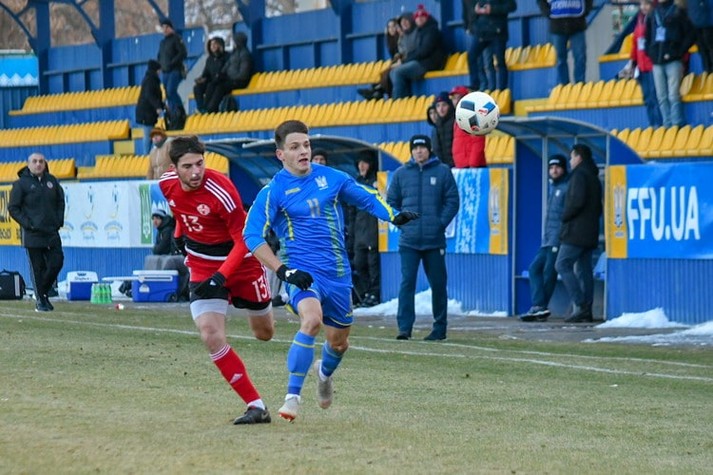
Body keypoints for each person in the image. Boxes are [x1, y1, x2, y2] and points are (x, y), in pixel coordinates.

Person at [242, 120, 418, 422]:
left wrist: (393, 215)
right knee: (311, 320)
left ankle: (323, 373)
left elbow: (366, 196)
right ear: (280, 154)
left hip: (337, 274)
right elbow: (252, 236)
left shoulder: (332, 178)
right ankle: (292, 398)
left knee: (339, 342)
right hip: (302, 273)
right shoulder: (273, 192)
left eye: (306, 145)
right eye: (295, 147)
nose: (303, 151)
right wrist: (283, 271)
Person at [158, 135, 274, 425]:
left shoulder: (222, 190)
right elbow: (180, 210)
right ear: (175, 167)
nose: (196, 171)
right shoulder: (166, 184)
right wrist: (178, 234)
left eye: (200, 163)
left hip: (241, 264)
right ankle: (256, 406)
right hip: (201, 264)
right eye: (188, 166)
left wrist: (222, 276)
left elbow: (243, 240)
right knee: (210, 334)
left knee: (264, 333)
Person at [386, 135, 460, 341]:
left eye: (422, 147)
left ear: (429, 150)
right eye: (415, 148)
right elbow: (391, 203)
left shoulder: (442, 171)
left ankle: (439, 329)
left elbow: (452, 201)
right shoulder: (401, 174)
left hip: (434, 240)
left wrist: (439, 223)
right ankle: (404, 328)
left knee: (438, 284)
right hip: (409, 241)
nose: (419, 151)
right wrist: (403, 223)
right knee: (407, 283)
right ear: (411, 151)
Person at [8, 153, 65, 312]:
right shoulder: (21, 184)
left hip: (51, 231)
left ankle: (42, 292)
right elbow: (13, 208)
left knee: (57, 261)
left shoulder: (52, 181)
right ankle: (41, 301)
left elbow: (60, 201)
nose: (38, 164)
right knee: (37, 268)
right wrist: (28, 224)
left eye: (41, 161)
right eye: (35, 161)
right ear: (29, 164)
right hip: (33, 234)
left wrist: (58, 220)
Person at [554, 144, 602, 323]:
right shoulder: (593, 176)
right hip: (590, 231)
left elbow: (576, 202)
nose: (570, 161)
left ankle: (581, 305)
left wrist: (564, 216)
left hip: (576, 232)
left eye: (572, 157)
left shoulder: (579, 175)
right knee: (584, 270)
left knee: (562, 264)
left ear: (579, 157)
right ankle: (587, 310)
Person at [519, 154, 569, 322]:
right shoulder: (554, 188)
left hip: (558, 238)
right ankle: (539, 306)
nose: (554, 171)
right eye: (551, 168)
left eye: (557, 167)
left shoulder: (566, 187)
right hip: (547, 239)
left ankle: (540, 307)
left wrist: (561, 236)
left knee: (549, 272)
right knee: (534, 269)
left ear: (564, 169)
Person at [645, 0, 696, 127]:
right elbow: (647, 37)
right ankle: (667, 123)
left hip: (673, 60)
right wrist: (651, 53)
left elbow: (690, 34)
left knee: (673, 95)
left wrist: (678, 52)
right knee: (661, 96)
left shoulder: (678, 11)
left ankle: (676, 123)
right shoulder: (653, 13)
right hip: (657, 62)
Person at [619, 0, 663, 127]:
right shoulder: (639, 20)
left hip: (652, 65)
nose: (643, 7)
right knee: (647, 98)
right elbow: (635, 44)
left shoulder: (656, 19)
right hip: (641, 67)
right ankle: (652, 124)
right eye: (642, 4)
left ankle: (659, 124)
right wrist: (632, 62)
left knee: (655, 97)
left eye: (646, 4)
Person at [389, 5, 447, 99]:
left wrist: (404, 61)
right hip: (422, 61)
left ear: (427, 17)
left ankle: (398, 101)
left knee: (398, 72)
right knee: (392, 72)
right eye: (417, 17)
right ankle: (404, 99)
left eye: (422, 16)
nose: (419, 19)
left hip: (430, 63)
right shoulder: (420, 30)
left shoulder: (431, 30)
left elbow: (424, 51)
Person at [464, 0, 517, 92]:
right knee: (471, 56)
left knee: (500, 60)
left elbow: (512, 6)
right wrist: (475, 12)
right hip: (481, 32)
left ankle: (502, 89)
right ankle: (475, 85)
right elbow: (468, 9)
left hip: (498, 31)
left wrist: (492, 9)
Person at [350, 155, 381, 307]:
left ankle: (375, 294)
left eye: (365, 163)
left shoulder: (378, 181)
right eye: (359, 163)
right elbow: (351, 211)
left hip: (373, 231)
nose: (361, 166)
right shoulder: (356, 183)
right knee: (359, 263)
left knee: (373, 265)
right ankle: (365, 293)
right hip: (359, 233)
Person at [537, 0, 592, 85]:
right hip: (557, 25)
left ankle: (580, 84)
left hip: (578, 24)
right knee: (560, 59)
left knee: (580, 57)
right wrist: (547, 12)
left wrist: (586, 10)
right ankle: (564, 86)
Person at [204, 31, 253, 113]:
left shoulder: (245, 54)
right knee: (212, 84)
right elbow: (227, 66)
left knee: (221, 88)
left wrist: (231, 77)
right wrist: (220, 75)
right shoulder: (234, 53)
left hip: (239, 81)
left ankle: (211, 108)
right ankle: (205, 107)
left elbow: (244, 74)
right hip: (231, 79)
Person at [157, 19, 187, 127]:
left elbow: (183, 53)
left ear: (171, 28)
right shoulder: (163, 42)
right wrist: (159, 66)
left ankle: (180, 110)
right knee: (167, 94)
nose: (165, 30)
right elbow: (160, 56)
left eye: (167, 27)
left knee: (171, 90)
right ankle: (173, 115)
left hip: (174, 70)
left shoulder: (176, 39)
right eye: (163, 28)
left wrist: (172, 63)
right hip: (165, 71)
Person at [449, 86, 487, 168]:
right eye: (454, 98)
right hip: (462, 166)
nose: (456, 101)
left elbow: (478, 142)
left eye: (459, 98)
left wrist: (473, 165)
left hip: (472, 167)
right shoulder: (458, 117)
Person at [135, 59, 164, 155]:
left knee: (149, 135)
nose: (160, 72)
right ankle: (146, 155)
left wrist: (162, 105)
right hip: (146, 113)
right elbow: (150, 95)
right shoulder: (151, 80)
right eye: (159, 70)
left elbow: (154, 96)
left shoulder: (150, 79)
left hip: (147, 113)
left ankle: (148, 154)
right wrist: (158, 107)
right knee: (148, 135)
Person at [193, 37, 228, 114]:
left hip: (221, 82)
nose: (213, 46)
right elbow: (206, 73)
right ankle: (200, 108)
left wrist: (217, 77)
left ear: (220, 45)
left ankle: (208, 109)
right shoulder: (210, 59)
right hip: (211, 81)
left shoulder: (226, 57)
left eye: (215, 44)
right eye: (211, 44)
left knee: (211, 86)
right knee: (197, 87)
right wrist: (201, 79)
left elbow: (226, 72)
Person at [430, 91, 456, 168]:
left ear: (450, 106)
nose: (441, 109)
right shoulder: (436, 126)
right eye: (438, 106)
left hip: (457, 166)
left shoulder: (456, 122)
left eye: (444, 105)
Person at [688, 0, 713, 73]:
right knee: (704, 50)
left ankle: (708, 71)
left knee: (706, 48)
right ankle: (708, 71)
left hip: (704, 23)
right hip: (698, 22)